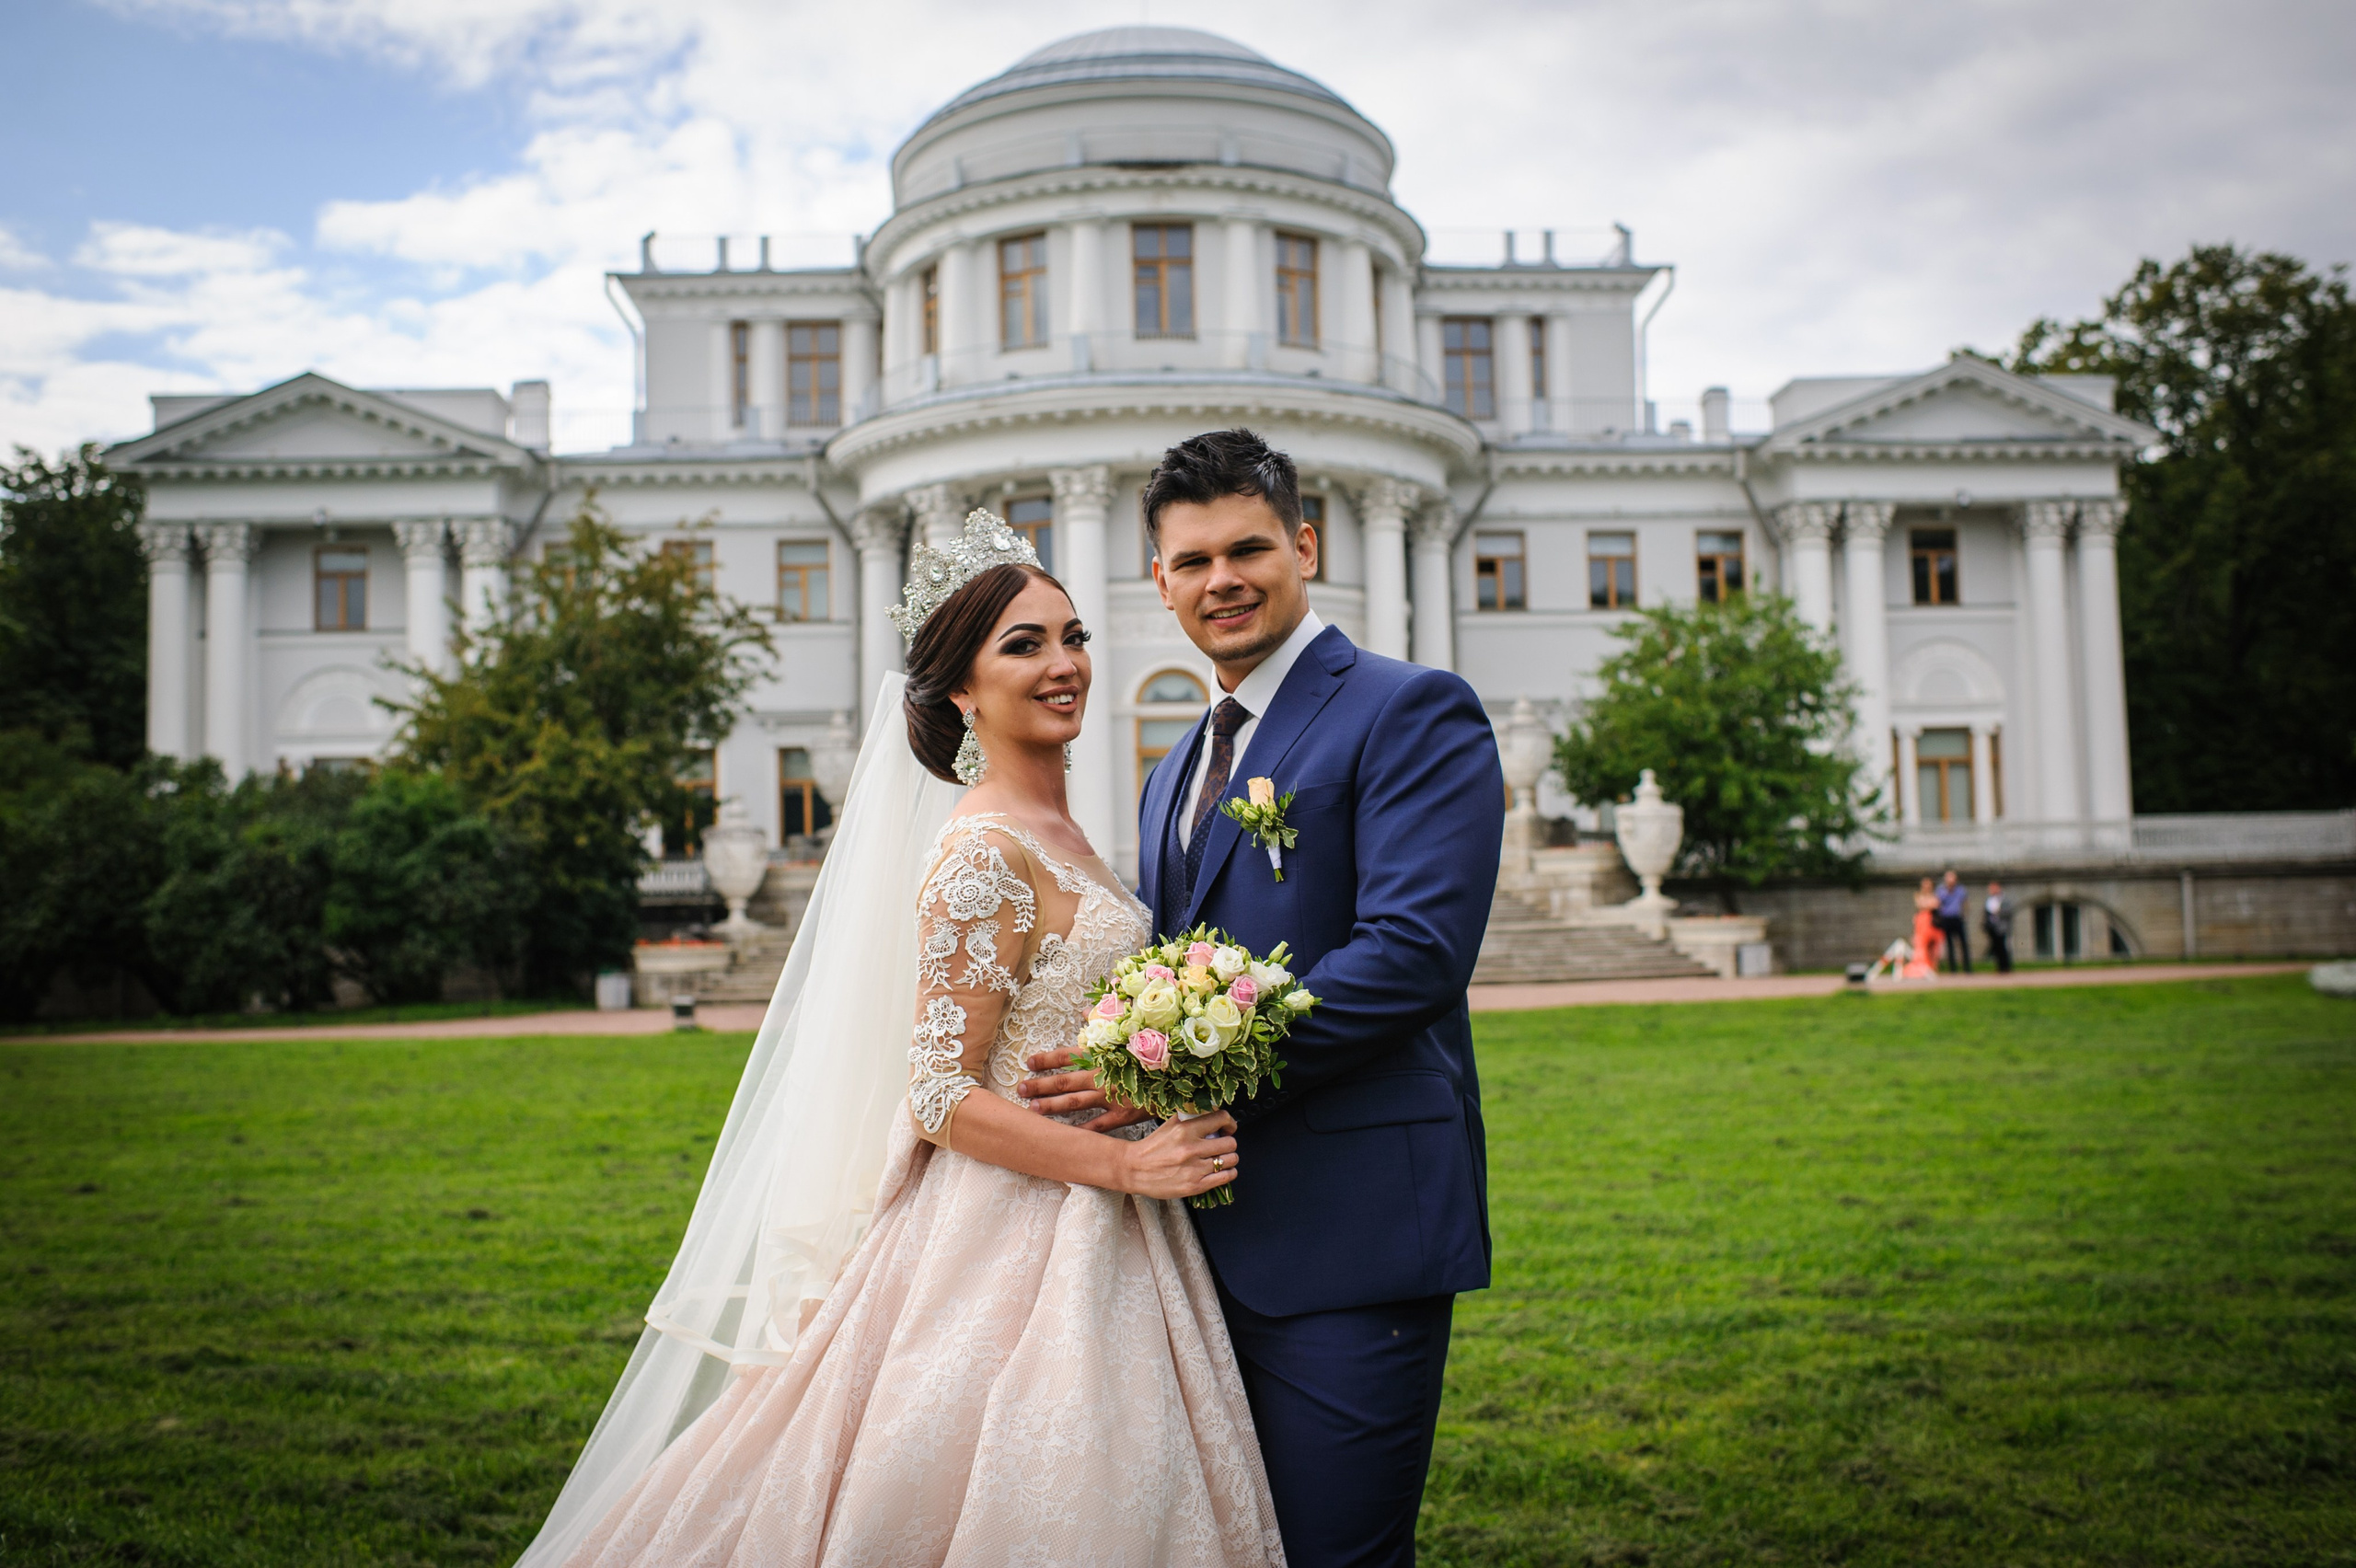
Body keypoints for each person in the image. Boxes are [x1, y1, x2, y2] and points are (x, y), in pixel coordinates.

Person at [515, 512, 1284, 1567]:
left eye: (1072, 637)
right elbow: (935, 1093)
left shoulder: (1071, 836)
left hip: (1111, 1227)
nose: (1063, 664)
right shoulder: (982, 853)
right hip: (1009, 1236)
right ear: (962, 690)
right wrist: (1125, 1163)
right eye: (1024, 645)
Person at [1022, 430, 1506, 1568]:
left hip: (1351, 1229)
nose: (1219, 580)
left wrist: (1160, 1068)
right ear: (1159, 581)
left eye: (1247, 549)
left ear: (1304, 545)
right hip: (1187, 1243)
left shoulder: (1409, 710)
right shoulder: (1173, 765)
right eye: (1189, 562)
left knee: (1335, 1554)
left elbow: (1411, 954)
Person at [1934, 869, 1972, 973]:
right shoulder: (1941, 890)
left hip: (1957, 918)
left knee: (1963, 943)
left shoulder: (1961, 890)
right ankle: (1953, 969)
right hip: (1946, 918)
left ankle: (1967, 968)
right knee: (1949, 944)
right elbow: (1937, 903)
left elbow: (1965, 903)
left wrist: (1965, 915)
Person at [1911, 876, 1946, 973]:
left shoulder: (1935, 896)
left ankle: (1934, 968)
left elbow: (1936, 904)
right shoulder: (1918, 895)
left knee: (1935, 949)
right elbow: (1921, 905)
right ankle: (1924, 968)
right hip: (1922, 923)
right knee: (1922, 947)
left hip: (1933, 923)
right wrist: (1930, 905)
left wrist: (1928, 905)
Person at [1983, 880, 2016, 973]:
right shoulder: (1989, 900)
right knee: (1996, 948)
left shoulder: (2004, 899)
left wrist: (1998, 912)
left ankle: (2006, 967)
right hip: (1993, 927)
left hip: (2002, 927)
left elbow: (2009, 912)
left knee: (2004, 948)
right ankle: (1999, 967)